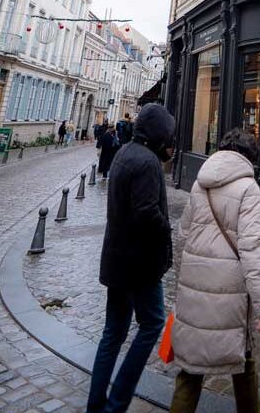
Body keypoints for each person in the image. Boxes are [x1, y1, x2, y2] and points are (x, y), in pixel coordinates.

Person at [169, 128, 260, 413]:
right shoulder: (248, 188)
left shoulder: (200, 182)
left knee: (190, 373)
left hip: (195, 284)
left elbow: (183, 233)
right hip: (231, 292)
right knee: (244, 361)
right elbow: (252, 250)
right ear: (250, 157)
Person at [86, 103, 175, 413]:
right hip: (140, 265)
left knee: (113, 332)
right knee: (152, 324)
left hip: (116, 260)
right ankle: (117, 402)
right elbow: (146, 212)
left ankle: (96, 404)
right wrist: (166, 228)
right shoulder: (148, 162)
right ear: (159, 134)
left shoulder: (125, 152)